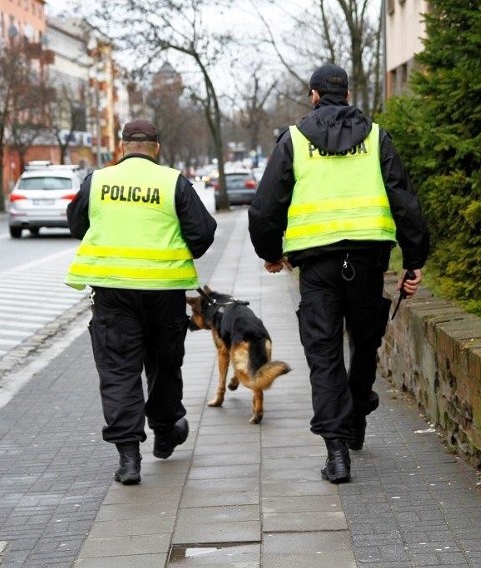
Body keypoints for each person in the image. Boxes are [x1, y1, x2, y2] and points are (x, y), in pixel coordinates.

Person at [248, 63, 430, 484]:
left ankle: (336, 453)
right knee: (365, 343)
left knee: (324, 355)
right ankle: (357, 420)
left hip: (317, 268)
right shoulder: (377, 137)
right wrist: (415, 259)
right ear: (347, 94)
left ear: (314, 96)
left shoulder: (293, 140)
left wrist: (272, 253)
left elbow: (265, 207)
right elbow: (405, 200)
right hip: (368, 261)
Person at [65, 119, 216, 485]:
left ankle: (128, 459)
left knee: (119, 371)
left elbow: (76, 223)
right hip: (163, 293)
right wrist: (175, 250)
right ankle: (165, 433)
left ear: (121, 147)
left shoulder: (98, 181)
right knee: (164, 366)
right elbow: (203, 232)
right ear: (156, 147)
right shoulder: (172, 182)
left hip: (113, 294)